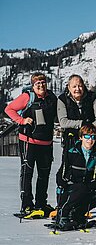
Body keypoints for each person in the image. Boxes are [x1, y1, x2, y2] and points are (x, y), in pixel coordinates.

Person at [5, 72, 58, 217]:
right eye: (37, 83)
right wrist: (22, 121)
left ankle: (41, 204)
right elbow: (9, 109)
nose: (41, 85)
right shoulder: (27, 97)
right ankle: (27, 205)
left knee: (44, 174)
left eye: (43, 82)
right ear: (33, 85)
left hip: (46, 142)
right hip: (28, 141)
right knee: (27, 173)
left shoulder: (52, 97)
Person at [56, 124, 96, 230]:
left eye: (93, 137)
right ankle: (63, 213)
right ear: (81, 137)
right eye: (87, 136)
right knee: (80, 188)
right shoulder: (71, 152)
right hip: (69, 189)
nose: (90, 140)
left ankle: (77, 215)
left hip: (84, 189)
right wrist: (63, 184)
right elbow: (61, 173)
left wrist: (89, 187)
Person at [57, 74, 96, 149]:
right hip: (70, 140)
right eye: (74, 86)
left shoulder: (92, 97)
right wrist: (82, 123)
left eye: (80, 86)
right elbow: (63, 122)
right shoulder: (63, 99)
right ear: (69, 87)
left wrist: (87, 131)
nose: (77, 89)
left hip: (89, 140)